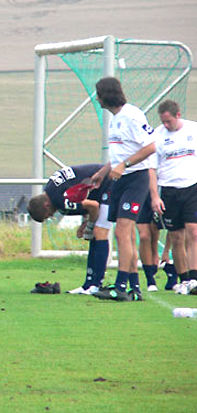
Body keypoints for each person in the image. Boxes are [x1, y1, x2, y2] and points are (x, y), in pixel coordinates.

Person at [91, 77, 156, 302]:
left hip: (135, 178)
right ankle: (135, 288)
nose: (96, 98)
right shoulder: (115, 119)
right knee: (125, 234)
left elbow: (150, 146)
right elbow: (121, 153)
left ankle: (119, 286)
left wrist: (124, 165)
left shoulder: (132, 115)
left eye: (98, 93)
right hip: (119, 179)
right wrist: (103, 171)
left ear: (106, 94)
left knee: (121, 231)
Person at [27, 164, 112, 294]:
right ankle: (88, 284)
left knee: (99, 232)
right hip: (98, 186)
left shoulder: (59, 200)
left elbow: (93, 206)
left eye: (48, 215)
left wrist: (88, 227)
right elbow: (82, 196)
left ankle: (96, 285)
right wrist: (85, 222)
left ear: (46, 205)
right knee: (95, 233)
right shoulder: (50, 189)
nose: (51, 216)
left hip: (108, 183)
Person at [149, 99, 197, 291]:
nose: (166, 125)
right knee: (176, 236)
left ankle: (195, 278)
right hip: (168, 190)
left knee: (194, 231)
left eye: (169, 121)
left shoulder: (193, 130)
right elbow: (151, 169)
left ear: (178, 115)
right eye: (163, 122)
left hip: (192, 187)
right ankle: (184, 279)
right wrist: (155, 196)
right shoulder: (157, 136)